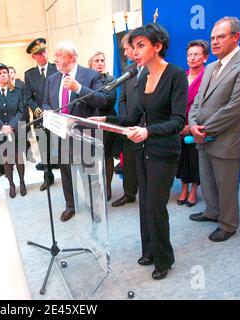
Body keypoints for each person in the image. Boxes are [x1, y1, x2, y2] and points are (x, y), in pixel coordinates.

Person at [90, 23, 188, 280]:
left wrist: (148, 131)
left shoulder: (176, 75)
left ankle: (164, 259)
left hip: (164, 150)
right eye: (133, 46)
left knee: (156, 206)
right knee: (144, 204)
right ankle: (150, 251)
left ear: (158, 46)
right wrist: (107, 120)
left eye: (141, 45)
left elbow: (178, 121)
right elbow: (135, 115)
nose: (134, 51)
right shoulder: (142, 75)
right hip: (143, 148)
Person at [188, 17, 240, 242]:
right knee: (208, 179)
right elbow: (197, 101)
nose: (215, 42)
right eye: (212, 38)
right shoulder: (211, 66)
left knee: (226, 184)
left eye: (221, 37)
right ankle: (212, 211)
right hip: (202, 136)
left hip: (226, 138)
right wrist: (193, 124)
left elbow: (236, 107)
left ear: (236, 37)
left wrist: (203, 128)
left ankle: (228, 224)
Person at [42, 41, 107, 222]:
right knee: (66, 173)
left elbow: (102, 100)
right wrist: (49, 113)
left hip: (84, 135)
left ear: (71, 57)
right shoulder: (52, 79)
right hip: (61, 134)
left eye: (59, 55)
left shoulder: (91, 75)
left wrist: (78, 88)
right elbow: (46, 102)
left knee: (89, 174)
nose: (54, 59)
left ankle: (94, 206)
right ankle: (71, 205)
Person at [176, 40, 209, 207]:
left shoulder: (208, 77)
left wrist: (192, 125)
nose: (192, 58)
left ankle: (194, 191)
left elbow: (209, 105)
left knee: (195, 159)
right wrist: (179, 125)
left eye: (196, 54)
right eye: (189, 55)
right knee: (182, 159)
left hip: (197, 126)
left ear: (205, 58)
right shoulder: (181, 75)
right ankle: (183, 189)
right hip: (180, 125)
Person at [0, 63, 26, 198]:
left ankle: (22, 182)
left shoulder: (17, 90)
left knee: (18, 158)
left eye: (5, 72)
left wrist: (12, 126)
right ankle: (11, 184)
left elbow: (21, 110)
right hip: (0, 133)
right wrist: (2, 127)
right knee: (7, 161)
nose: (3, 75)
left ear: (9, 74)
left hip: (15, 130)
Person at [24, 37, 58, 191]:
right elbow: (28, 97)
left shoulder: (56, 68)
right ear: (34, 57)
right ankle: (47, 177)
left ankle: (66, 175)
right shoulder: (29, 75)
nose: (43, 55)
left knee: (62, 147)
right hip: (40, 118)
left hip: (58, 115)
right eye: (39, 54)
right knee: (44, 148)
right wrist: (38, 110)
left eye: (44, 52)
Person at [112, 34, 141, 208]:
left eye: (127, 49)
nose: (125, 52)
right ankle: (129, 194)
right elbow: (121, 99)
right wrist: (127, 122)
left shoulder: (154, 69)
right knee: (129, 164)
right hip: (129, 126)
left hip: (147, 127)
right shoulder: (128, 70)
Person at [88, 51, 117, 201]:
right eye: (96, 60)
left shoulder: (110, 79)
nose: (100, 63)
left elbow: (109, 100)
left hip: (106, 123)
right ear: (90, 64)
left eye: (102, 60)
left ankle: (107, 187)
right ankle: (95, 186)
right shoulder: (85, 80)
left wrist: (92, 97)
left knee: (107, 156)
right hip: (89, 123)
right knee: (92, 157)